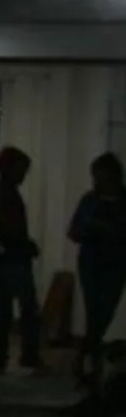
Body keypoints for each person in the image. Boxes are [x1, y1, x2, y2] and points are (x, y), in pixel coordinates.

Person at [70, 152, 126, 388]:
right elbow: (74, 230)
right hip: (91, 262)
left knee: (104, 312)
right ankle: (91, 361)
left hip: (116, 263)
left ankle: (86, 356)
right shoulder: (90, 200)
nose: (97, 180)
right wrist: (94, 229)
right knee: (95, 310)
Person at [0, 146, 46, 375]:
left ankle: (0, 356)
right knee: (24, 310)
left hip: (11, 258)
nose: (23, 175)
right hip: (12, 259)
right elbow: (6, 229)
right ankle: (25, 355)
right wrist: (25, 245)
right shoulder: (4, 195)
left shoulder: (5, 193)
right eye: (21, 170)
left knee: (5, 311)